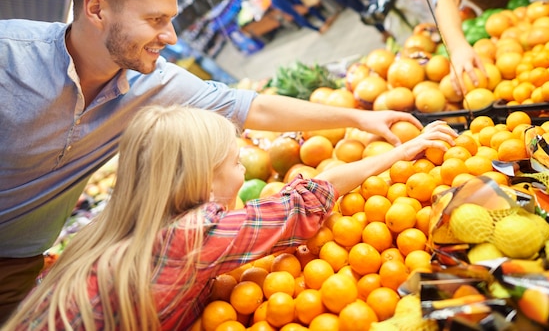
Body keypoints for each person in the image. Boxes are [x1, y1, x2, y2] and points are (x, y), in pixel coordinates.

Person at [0, 0, 426, 324]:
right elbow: (298, 207)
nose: (170, 36)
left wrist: (359, 117)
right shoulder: (8, 60)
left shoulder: (153, 81)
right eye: (154, 20)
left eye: (170, 18)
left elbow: (251, 107)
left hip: (21, 264)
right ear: (96, 9)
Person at [2, 105, 458, 330]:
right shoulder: (193, 237)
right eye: (235, 162)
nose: (244, 169)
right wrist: (402, 152)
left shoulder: (113, 230)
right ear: (202, 180)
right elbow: (304, 203)